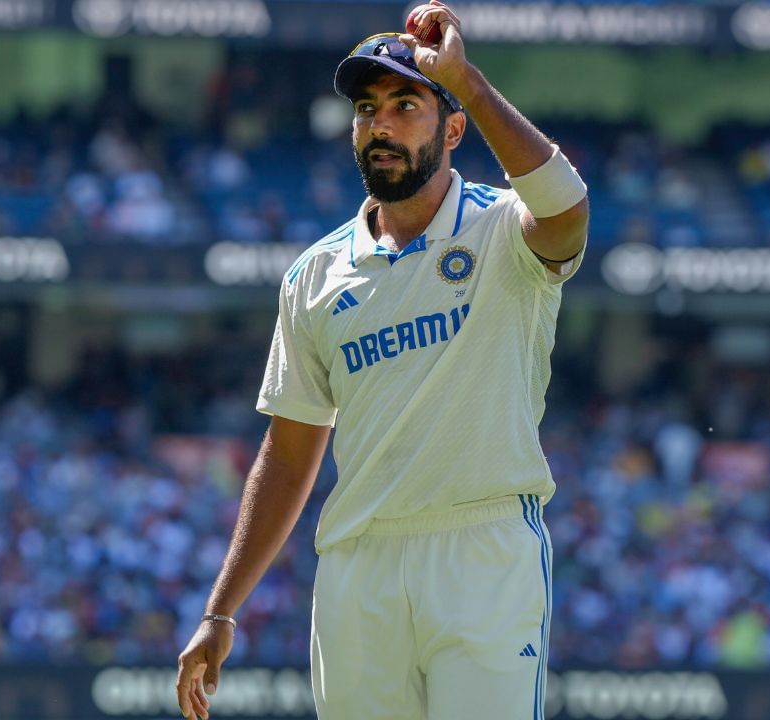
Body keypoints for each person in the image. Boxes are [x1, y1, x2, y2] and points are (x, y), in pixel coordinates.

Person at [174, 3, 589, 718]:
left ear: (454, 128)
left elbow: (568, 209)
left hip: (482, 551)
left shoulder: (502, 231)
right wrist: (221, 610)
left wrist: (468, 80)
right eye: (368, 109)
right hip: (356, 564)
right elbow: (290, 450)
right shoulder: (315, 275)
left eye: (407, 104)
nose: (382, 125)